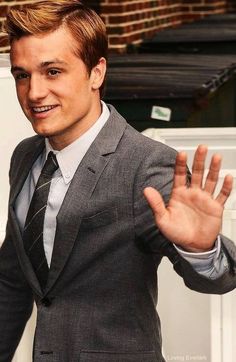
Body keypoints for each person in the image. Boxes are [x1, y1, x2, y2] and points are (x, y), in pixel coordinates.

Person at [0, 1, 235, 361]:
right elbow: (13, 282)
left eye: (52, 72)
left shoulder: (147, 165)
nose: (33, 93)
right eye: (22, 75)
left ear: (96, 73)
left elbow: (215, 279)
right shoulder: (25, 157)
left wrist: (202, 251)